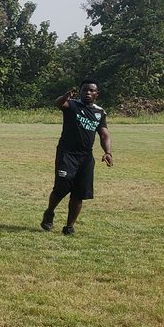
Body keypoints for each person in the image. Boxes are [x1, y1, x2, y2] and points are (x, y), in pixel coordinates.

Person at [41, 80, 113, 235]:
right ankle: (49, 213)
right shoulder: (72, 105)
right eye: (85, 90)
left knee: (79, 193)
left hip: (86, 157)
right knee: (62, 186)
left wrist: (108, 152)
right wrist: (65, 96)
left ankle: (69, 226)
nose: (88, 92)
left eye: (91, 90)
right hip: (67, 154)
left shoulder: (100, 113)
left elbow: (104, 134)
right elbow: (58, 104)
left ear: (96, 94)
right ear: (80, 92)